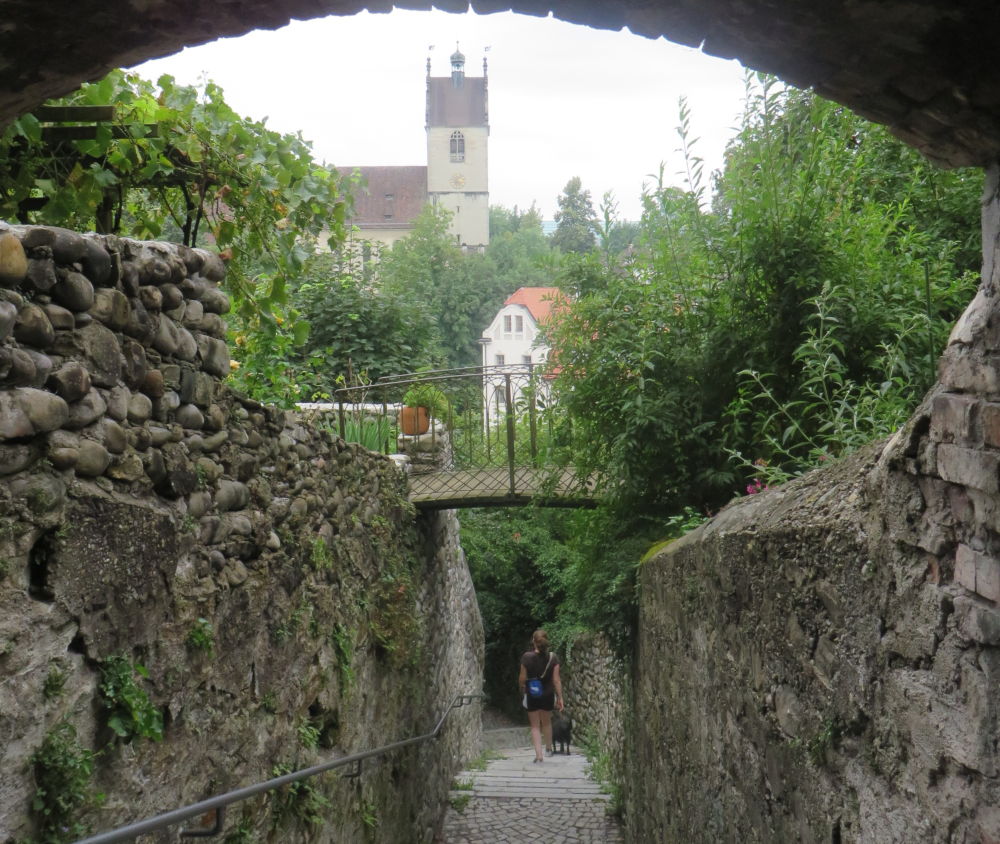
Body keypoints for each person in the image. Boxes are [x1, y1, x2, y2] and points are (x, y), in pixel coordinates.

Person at [518, 629, 564, 763]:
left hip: (532, 693)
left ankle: (539, 756)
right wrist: (560, 697)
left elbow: (522, 678)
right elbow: (556, 680)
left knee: (535, 726)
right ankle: (549, 749)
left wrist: (522, 689)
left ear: (533, 641)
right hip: (548, 694)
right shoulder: (553, 657)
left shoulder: (526, 657)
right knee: (547, 722)